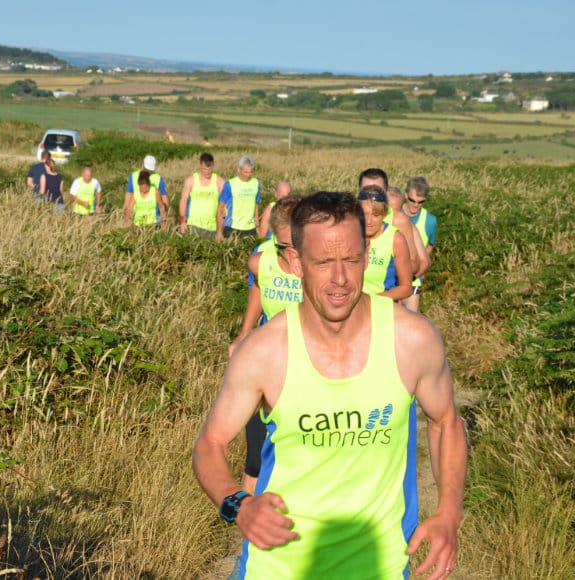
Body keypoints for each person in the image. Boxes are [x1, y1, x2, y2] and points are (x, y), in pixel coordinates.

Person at [192, 191, 466, 579]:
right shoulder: (264, 351)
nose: (340, 279)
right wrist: (238, 504)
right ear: (295, 262)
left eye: (352, 260)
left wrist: (449, 512)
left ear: (367, 254)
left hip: (380, 567)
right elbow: (210, 443)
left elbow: (446, 423)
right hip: (276, 567)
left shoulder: (413, 341)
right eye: (323, 262)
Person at [229, 195, 303, 496]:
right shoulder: (261, 262)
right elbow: (259, 292)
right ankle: (248, 529)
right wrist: (244, 334)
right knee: (255, 456)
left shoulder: (315, 265)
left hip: (306, 367)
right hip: (268, 364)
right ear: (274, 237)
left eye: (299, 242)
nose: (293, 252)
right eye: (285, 246)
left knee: (297, 452)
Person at [358, 168, 425, 280]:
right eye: (366, 190)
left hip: (385, 291)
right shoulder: (350, 217)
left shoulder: (398, 219)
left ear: (386, 191)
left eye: (377, 190)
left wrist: (386, 270)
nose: (371, 196)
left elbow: (415, 263)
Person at [359, 186, 413, 301]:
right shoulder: (350, 234)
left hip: (380, 308)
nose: (369, 221)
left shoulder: (395, 239)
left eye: (375, 215)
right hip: (351, 310)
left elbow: (406, 288)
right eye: (364, 214)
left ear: (384, 214)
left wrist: (371, 300)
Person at [387, 185, 433, 312]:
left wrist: (404, 281)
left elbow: (425, 261)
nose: (394, 216)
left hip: (406, 288)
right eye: (390, 211)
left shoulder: (407, 225)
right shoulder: (367, 225)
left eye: (397, 211)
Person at [401, 177, 438, 312]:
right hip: (390, 277)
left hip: (414, 278)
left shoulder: (430, 220)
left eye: (421, 202)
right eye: (412, 200)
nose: (416, 205)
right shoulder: (394, 212)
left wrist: (421, 269)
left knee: (410, 319)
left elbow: (430, 245)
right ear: (405, 195)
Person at [179, 152, 226, 237]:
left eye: (210, 168)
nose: (207, 171)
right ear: (200, 165)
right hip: (193, 225)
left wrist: (220, 230)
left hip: (212, 227)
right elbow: (183, 200)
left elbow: (223, 207)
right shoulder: (191, 180)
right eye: (204, 169)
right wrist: (182, 221)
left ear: (213, 165)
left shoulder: (220, 182)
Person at [217, 155, 261, 240]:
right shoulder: (229, 184)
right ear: (238, 170)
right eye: (245, 172)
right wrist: (219, 231)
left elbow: (256, 206)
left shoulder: (256, 183)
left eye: (251, 172)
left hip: (250, 228)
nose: (248, 175)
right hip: (232, 227)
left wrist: (257, 226)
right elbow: (221, 208)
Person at [126, 155, 168, 221]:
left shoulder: (158, 178)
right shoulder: (133, 176)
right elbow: (128, 194)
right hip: (137, 215)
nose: (148, 171)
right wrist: (127, 213)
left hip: (155, 216)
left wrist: (164, 215)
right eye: (147, 168)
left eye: (150, 169)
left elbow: (164, 197)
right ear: (142, 164)